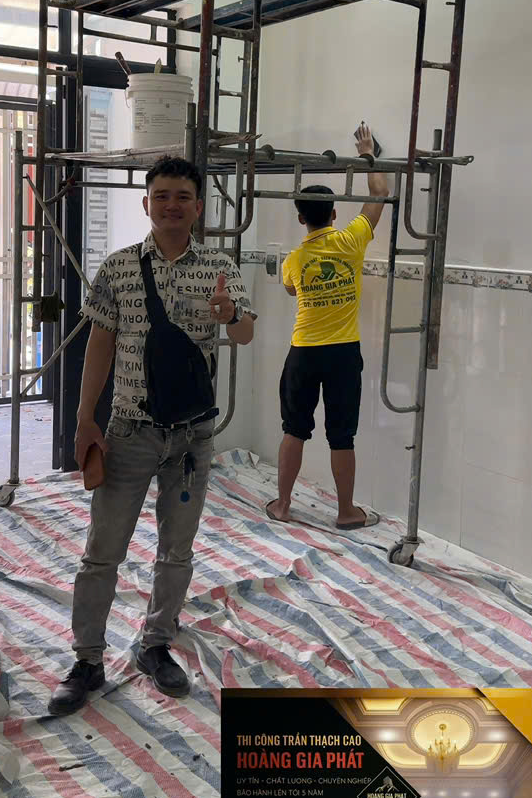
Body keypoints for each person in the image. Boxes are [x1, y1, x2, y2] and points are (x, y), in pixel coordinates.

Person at [48, 155, 255, 715]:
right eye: (161, 195)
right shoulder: (119, 268)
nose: (171, 205)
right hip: (130, 430)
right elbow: (99, 345)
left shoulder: (220, 267)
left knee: (177, 550)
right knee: (102, 551)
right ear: (147, 203)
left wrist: (229, 313)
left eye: (182, 197)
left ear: (198, 207)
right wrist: (84, 419)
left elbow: (245, 333)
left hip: (191, 438)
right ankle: (88, 659)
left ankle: (155, 644)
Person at [265, 123, 389, 530]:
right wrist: (368, 155)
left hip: (303, 352)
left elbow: (289, 288)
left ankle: (283, 504)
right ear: (334, 214)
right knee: (342, 435)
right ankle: (346, 512)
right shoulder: (351, 240)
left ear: (301, 217)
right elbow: (379, 194)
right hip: (342, 354)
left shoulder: (294, 260)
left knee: (294, 429)